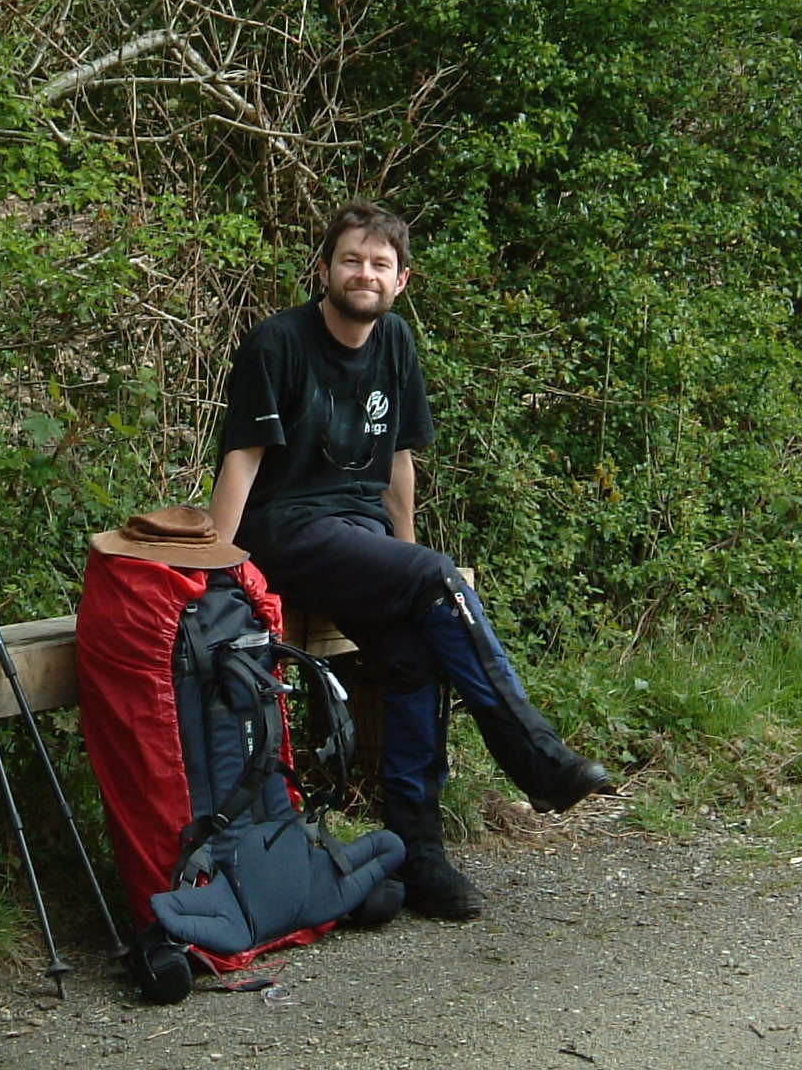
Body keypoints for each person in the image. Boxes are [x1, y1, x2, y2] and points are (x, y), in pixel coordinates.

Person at [209, 200, 610, 921]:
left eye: (379, 264)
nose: (364, 274)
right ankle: (535, 756)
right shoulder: (278, 344)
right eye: (351, 260)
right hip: (289, 530)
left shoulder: (394, 343)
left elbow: (399, 462)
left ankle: (419, 853)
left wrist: (406, 553)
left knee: (417, 650)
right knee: (437, 577)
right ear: (325, 269)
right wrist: (214, 567)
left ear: (401, 281)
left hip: (361, 537)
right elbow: (242, 459)